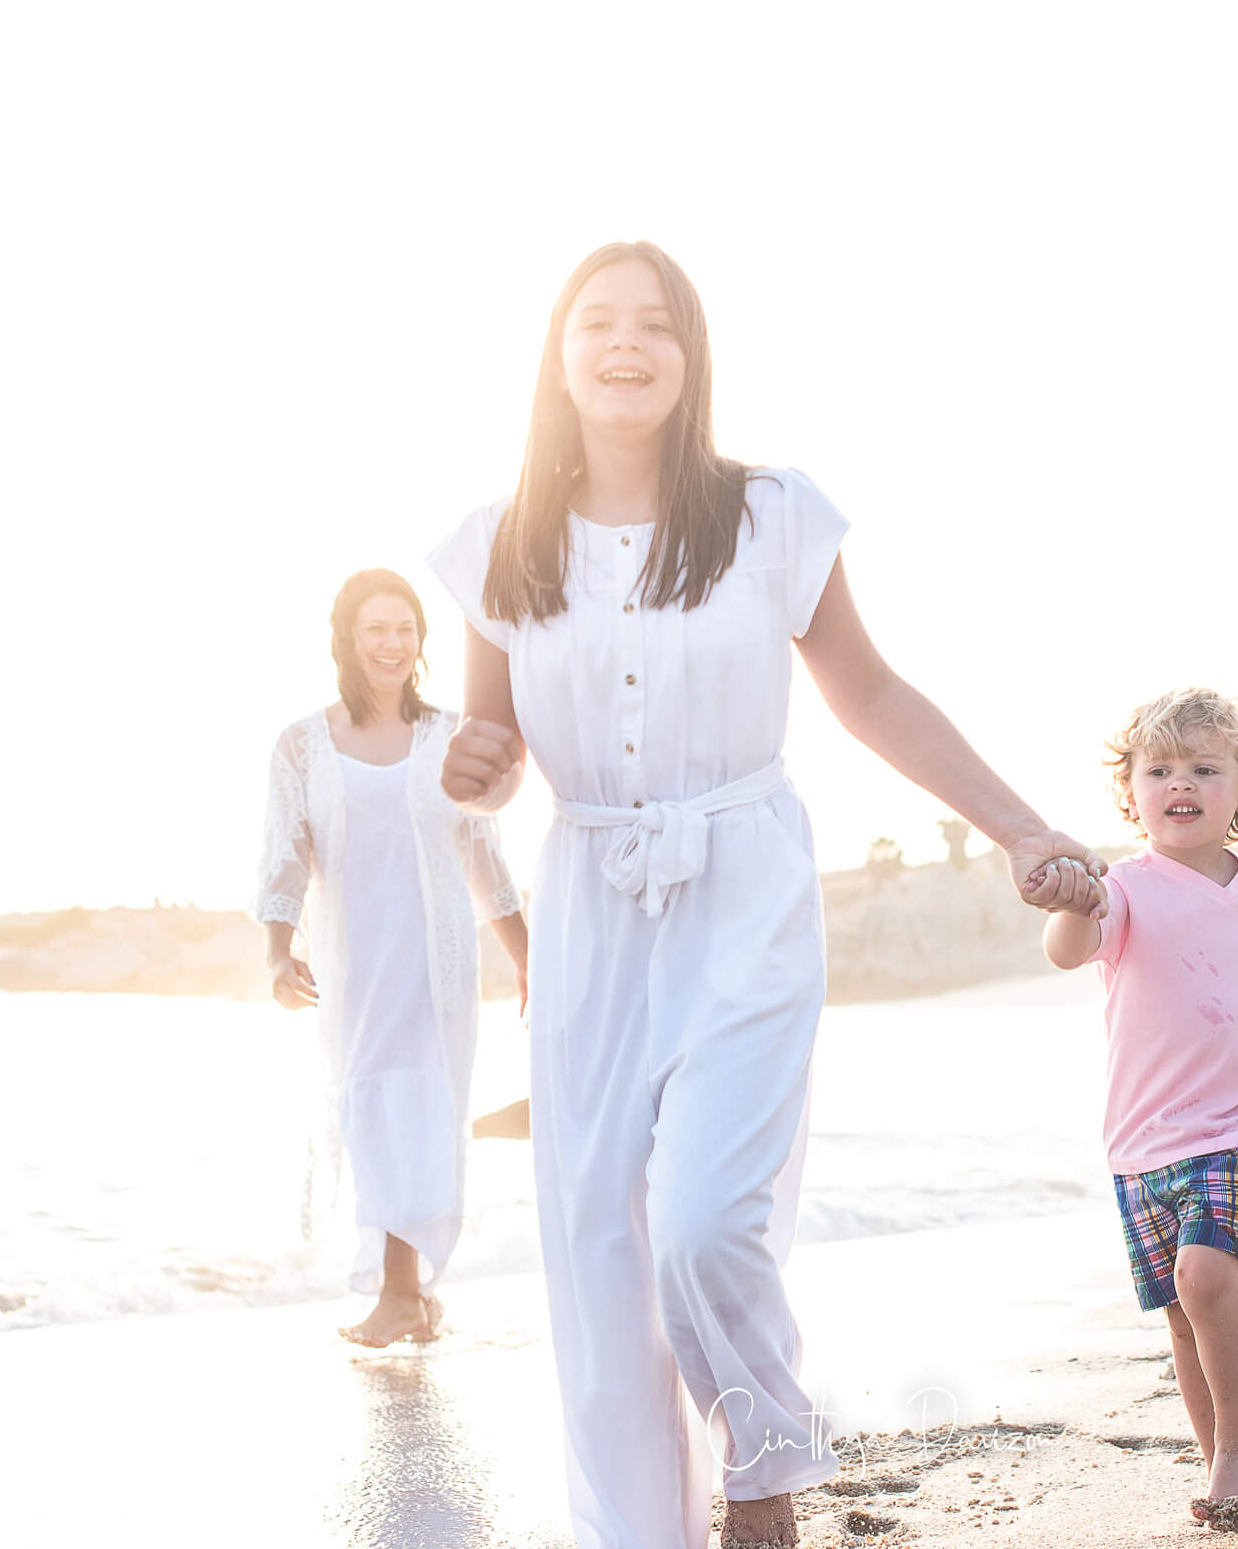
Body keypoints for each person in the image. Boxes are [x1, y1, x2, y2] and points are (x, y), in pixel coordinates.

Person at [425, 240, 1103, 1549]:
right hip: (589, 909)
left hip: (744, 891)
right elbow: (493, 747)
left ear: (692, 357)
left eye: (657, 325)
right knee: (600, 1257)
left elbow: (873, 694)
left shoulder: (770, 517)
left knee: (701, 1221)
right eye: (597, 323)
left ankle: (762, 1471)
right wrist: (480, 762)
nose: (627, 344)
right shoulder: (498, 543)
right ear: (557, 358)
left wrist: (1020, 828)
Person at [1027, 687, 1238, 1533]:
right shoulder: (1123, 889)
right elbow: (1068, 952)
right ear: (1133, 793)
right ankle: (1219, 1456)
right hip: (1142, 1138)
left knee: (1206, 1275)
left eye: (1203, 767)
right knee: (1183, 1316)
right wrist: (1073, 906)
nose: (1178, 782)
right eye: (1159, 769)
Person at [250, 568, 529, 1348]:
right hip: (354, 963)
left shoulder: (449, 737)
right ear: (347, 638)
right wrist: (278, 956)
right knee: (372, 1112)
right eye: (376, 629)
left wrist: (527, 959)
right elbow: (286, 856)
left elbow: (484, 856)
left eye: (405, 629)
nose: (392, 644)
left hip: (436, 961)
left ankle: (402, 1295)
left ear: (421, 641)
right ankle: (411, 1295)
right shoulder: (303, 745)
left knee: (423, 1112)